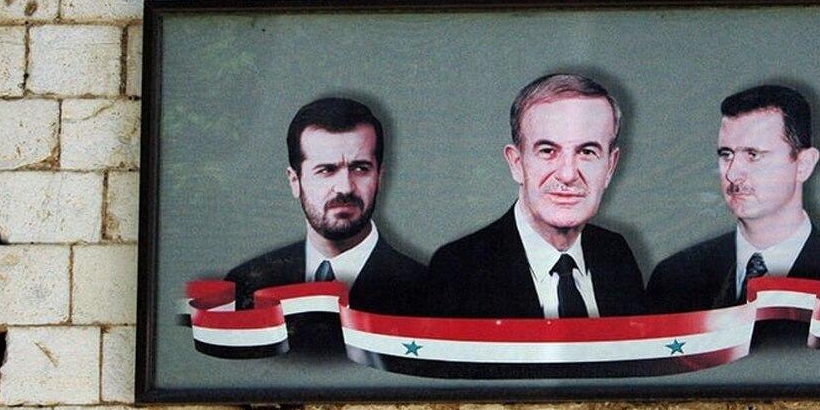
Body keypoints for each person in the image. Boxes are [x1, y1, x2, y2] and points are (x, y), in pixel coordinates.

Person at [427, 74, 645, 318]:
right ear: (516, 163)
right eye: (548, 151)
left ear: (610, 167)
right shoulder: (458, 271)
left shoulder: (616, 254)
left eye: (586, 152)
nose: (567, 174)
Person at [226, 97, 426, 356]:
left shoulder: (427, 292)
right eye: (326, 170)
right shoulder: (246, 285)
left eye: (360, 168)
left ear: (379, 177)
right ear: (294, 181)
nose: (345, 187)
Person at [647, 85, 820, 315]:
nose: (732, 174)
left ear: (804, 165)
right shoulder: (675, 278)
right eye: (726, 155)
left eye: (753, 155)